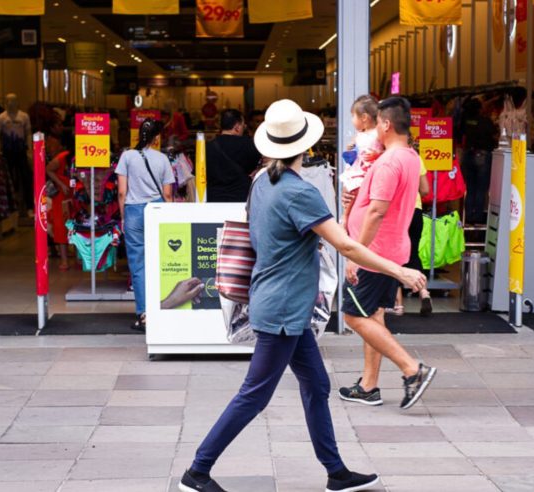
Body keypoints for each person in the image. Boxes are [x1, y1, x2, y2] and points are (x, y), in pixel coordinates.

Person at [178, 99, 427, 492]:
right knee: (254, 395)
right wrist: (399, 270)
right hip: (283, 308)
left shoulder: (262, 180)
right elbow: (345, 246)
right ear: (306, 147)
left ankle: (335, 472)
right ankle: (197, 471)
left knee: (317, 385)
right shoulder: (299, 192)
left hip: (281, 303)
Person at [339, 96, 437, 410]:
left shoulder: (390, 162)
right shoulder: (409, 156)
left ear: (386, 124)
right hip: (391, 248)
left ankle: (412, 370)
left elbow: (377, 212)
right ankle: (369, 386)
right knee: (373, 315)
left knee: (353, 316)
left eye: (379, 123)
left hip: (375, 252)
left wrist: (355, 254)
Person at [117, 119, 175, 332]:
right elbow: (168, 194)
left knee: (138, 264)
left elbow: (122, 192)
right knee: (160, 260)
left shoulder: (127, 156)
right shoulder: (162, 159)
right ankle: (163, 307)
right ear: (157, 137)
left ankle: (144, 314)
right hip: (157, 211)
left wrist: (124, 217)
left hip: (133, 211)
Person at [393, 155, 432, 316]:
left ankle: (398, 305)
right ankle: (424, 292)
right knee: (413, 252)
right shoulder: (417, 159)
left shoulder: (389, 157)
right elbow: (425, 190)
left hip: (396, 211)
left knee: (393, 257)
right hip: (415, 210)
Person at [339, 95, 384, 229]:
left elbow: (387, 152)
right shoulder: (360, 135)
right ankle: (346, 216)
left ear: (364, 117)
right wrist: (351, 148)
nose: (352, 120)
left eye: (353, 116)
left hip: (367, 172)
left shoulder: (378, 134)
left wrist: (378, 154)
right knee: (349, 189)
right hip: (358, 169)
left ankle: (345, 218)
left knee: (353, 190)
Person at [205, 109, 263, 202]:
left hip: (213, 200)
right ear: (237, 127)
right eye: (243, 124)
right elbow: (257, 168)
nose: (244, 127)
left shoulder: (207, 147)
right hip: (241, 199)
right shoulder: (249, 145)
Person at [460, 97, 498, 225]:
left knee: (470, 188)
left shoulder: (465, 121)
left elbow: (461, 137)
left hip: (468, 155)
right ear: (479, 109)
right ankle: (478, 217)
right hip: (482, 155)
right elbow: (494, 135)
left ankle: (469, 216)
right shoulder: (485, 121)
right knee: (481, 188)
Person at [45, 130, 74, 271]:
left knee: (75, 227)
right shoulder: (63, 157)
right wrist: (61, 184)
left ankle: (75, 257)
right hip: (61, 198)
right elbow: (48, 169)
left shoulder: (76, 158)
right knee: (61, 228)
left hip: (72, 197)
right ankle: (64, 261)